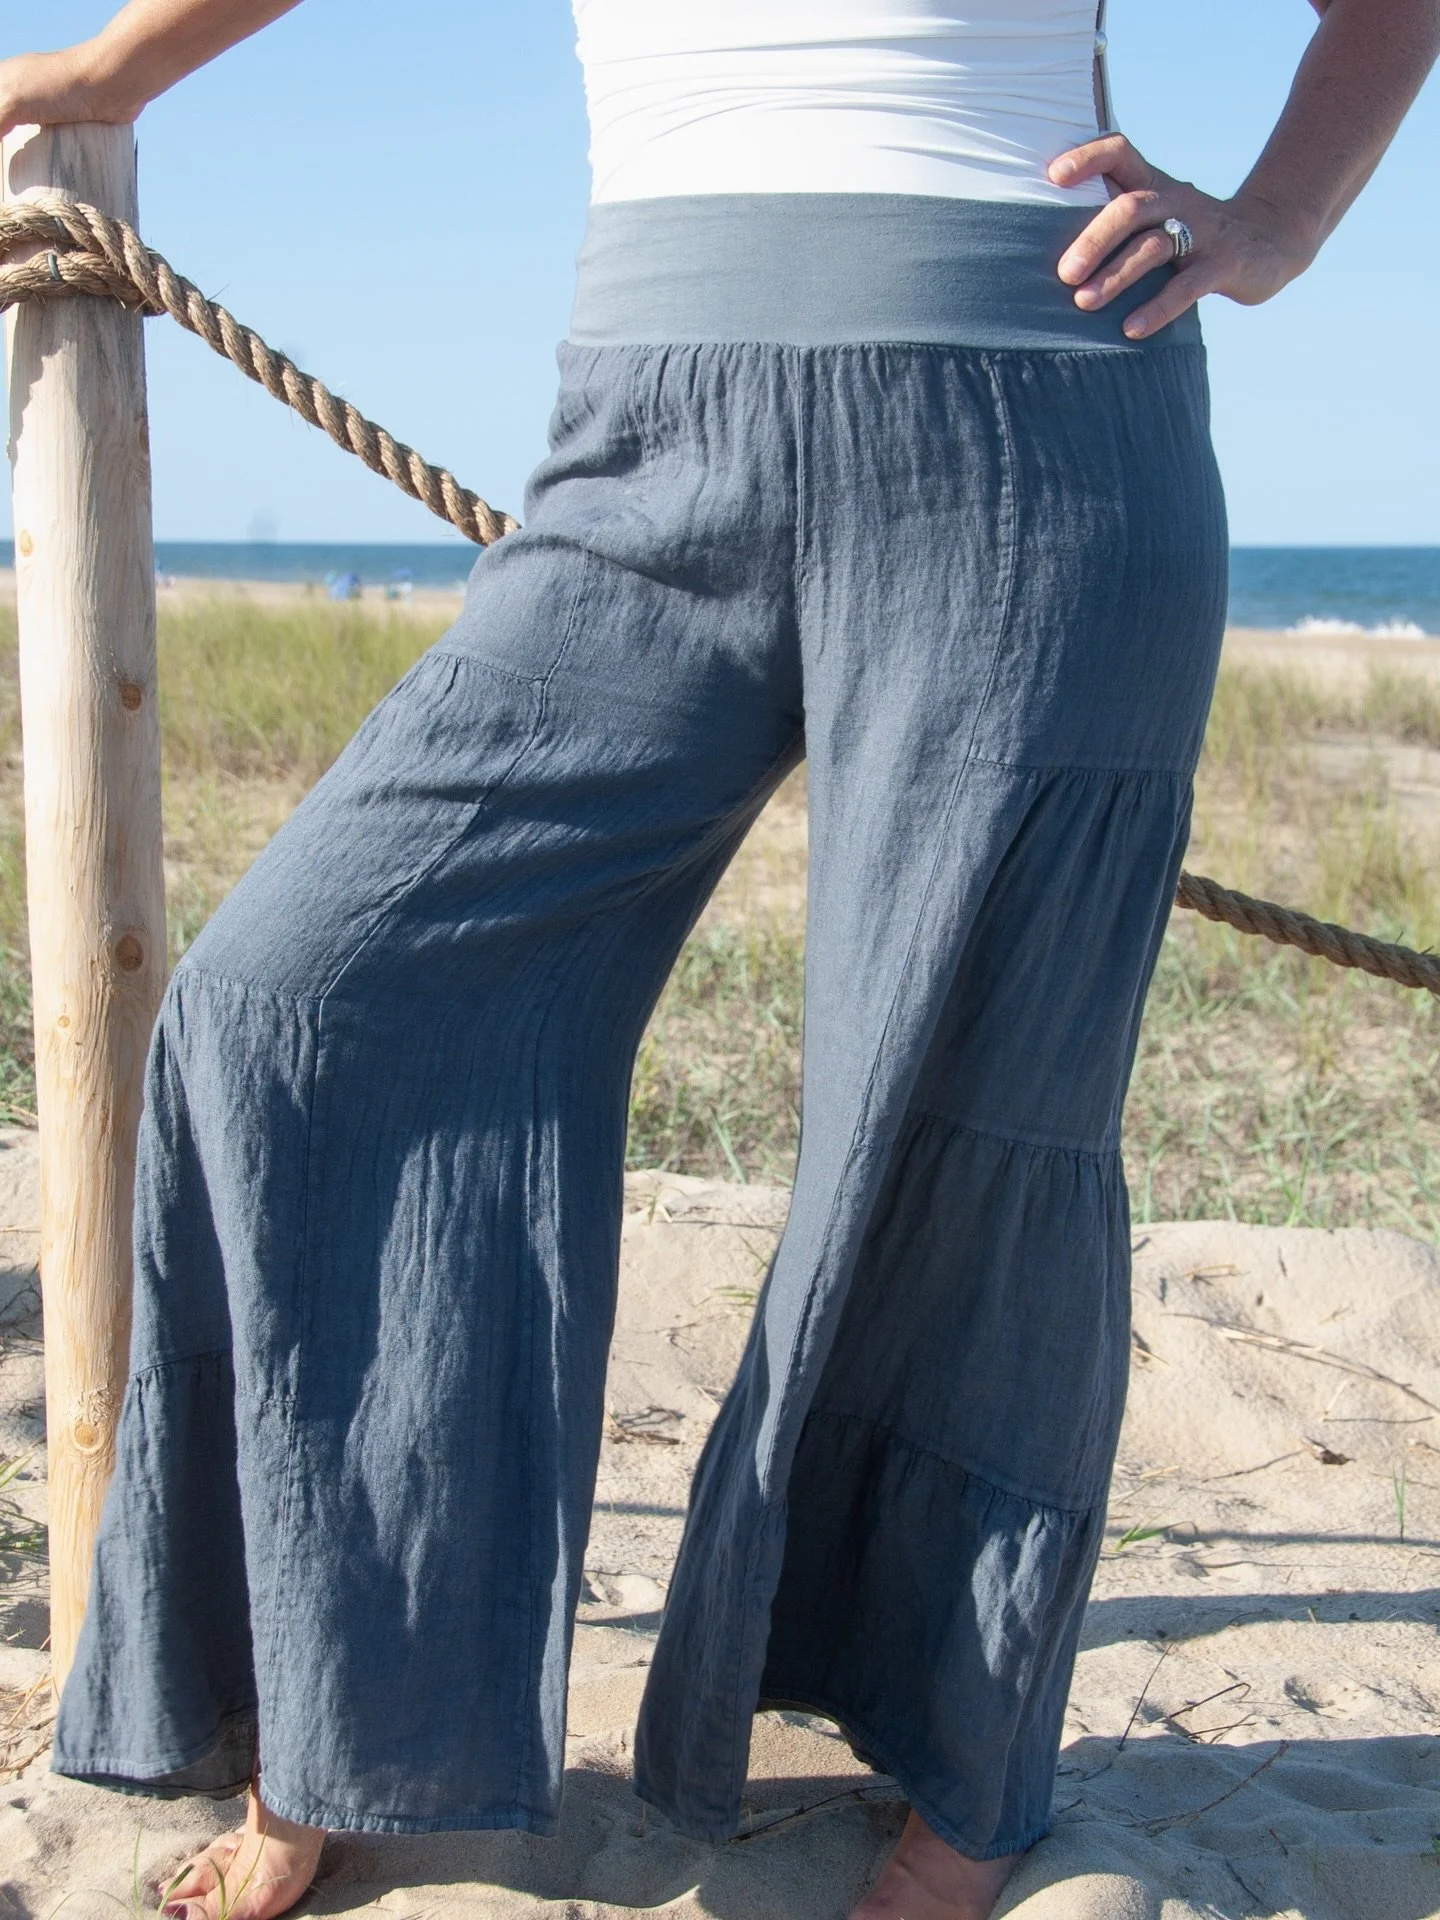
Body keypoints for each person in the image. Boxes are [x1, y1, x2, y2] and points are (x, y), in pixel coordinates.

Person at [2, 4, 1436, 1918]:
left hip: (1036, 434)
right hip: (644, 440)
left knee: (964, 1107)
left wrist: (1277, 224)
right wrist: (107, 71)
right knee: (303, 1000)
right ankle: (348, 1703)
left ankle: (967, 1781)